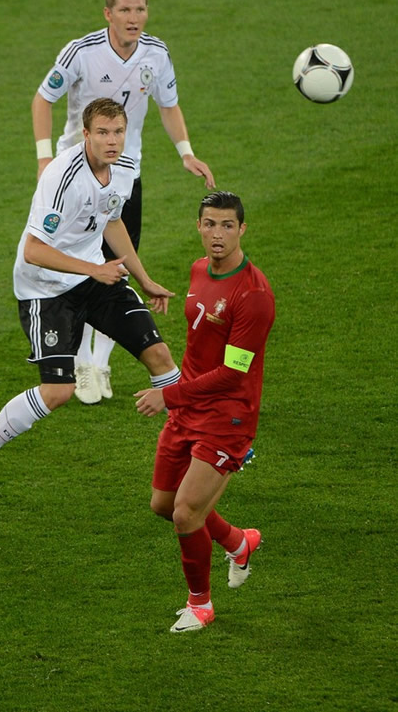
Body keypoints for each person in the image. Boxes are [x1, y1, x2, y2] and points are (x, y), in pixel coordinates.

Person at [0, 98, 180, 514]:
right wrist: (94, 268)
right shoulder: (62, 176)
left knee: (160, 356)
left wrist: (143, 278)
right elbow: (34, 250)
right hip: (46, 289)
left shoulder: (124, 167)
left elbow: (111, 220)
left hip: (96, 276)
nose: (112, 141)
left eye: (118, 131)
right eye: (103, 133)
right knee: (58, 392)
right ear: (85, 134)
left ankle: (213, 448)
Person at [32, 0, 215, 405]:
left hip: (125, 175)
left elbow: (168, 105)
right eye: (126, 11)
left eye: (141, 10)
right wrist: (44, 159)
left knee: (117, 262)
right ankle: (76, 354)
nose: (135, 18)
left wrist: (185, 152)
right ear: (108, 14)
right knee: (76, 260)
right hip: (75, 172)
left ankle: (98, 362)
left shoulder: (157, 54)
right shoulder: (81, 52)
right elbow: (43, 99)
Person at [135, 191, 275, 632]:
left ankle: (200, 605)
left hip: (228, 415)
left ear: (242, 230)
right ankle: (238, 542)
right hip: (191, 406)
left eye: (227, 226)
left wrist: (171, 394)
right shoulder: (198, 270)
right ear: (198, 226)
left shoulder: (253, 295)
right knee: (163, 504)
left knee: (185, 513)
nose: (218, 235)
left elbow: (234, 375)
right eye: (210, 224)